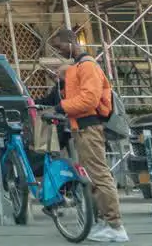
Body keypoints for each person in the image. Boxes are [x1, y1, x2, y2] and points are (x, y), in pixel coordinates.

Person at [49, 28, 127, 243]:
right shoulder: (80, 67)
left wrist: (61, 107)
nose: (60, 52)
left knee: (99, 176)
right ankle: (106, 222)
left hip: (89, 128)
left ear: (72, 42)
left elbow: (89, 100)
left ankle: (115, 225)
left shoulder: (88, 66)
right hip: (82, 128)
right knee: (93, 177)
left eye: (60, 47)